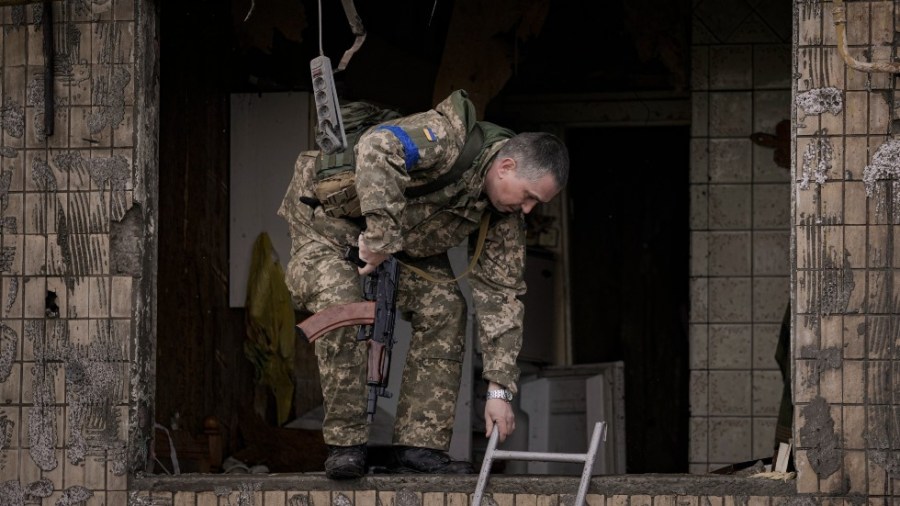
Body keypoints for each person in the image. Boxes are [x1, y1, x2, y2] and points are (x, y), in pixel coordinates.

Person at [277, 89, 570, 479]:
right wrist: (381, 238)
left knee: (447, 306)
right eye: (529, 197)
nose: (528, 209)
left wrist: (500, 390)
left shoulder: (502, 214)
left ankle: (420, 446)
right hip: (329, 231)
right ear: (507, 166)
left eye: (537, 204)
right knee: (342, 305)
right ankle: (346, 444)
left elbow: (502, 295)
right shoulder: (445, 138)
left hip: (401, 247)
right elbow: (378, 148)